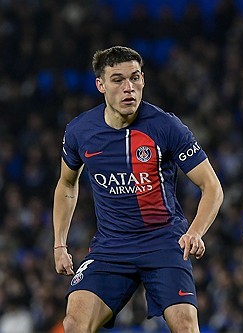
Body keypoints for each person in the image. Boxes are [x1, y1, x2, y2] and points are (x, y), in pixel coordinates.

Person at [52, 46, 223, 333]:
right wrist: (59, 244)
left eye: (135, 78)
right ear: (101, 85)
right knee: (73, 324)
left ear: (143, 80)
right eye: (118, 80)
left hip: (164, 241)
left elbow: (212, 187)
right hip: (111, 246)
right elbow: (67, 183)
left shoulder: (166, 127)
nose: (128, 88)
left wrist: (195, 231)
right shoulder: (80, 131)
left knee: (186, 327)